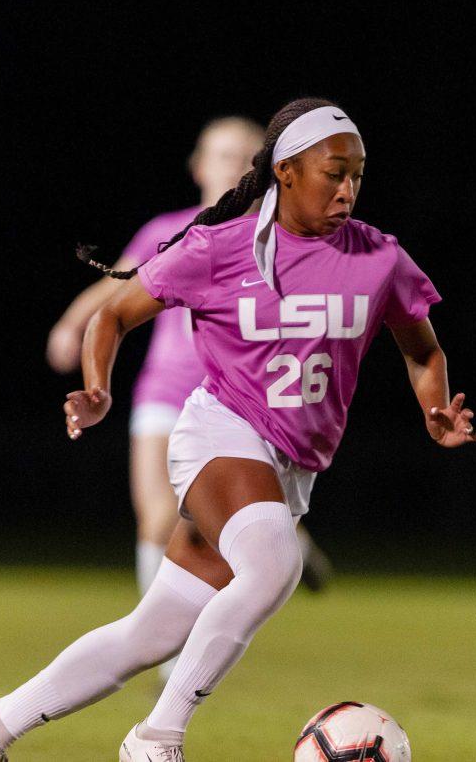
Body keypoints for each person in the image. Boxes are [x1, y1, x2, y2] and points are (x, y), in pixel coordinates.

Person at [0, 98, 476, 762]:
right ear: (285, 172)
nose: (348, 188)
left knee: (154, 630)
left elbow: (421, 347)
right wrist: (100, 389)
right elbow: (111, 316)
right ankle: (156, 737)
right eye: (332, 172)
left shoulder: (378, 256)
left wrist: (433, 407)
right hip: (220, 429)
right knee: (276, 563)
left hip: (291, 463)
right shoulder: (220, 245)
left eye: (358, 175)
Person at [45, 118, 335, 678]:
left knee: (222, 527)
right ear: (199, 166)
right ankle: (164, 647)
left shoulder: (283, 240)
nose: (233, 165)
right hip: (167, 390)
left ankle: (278, 531)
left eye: (246, 155)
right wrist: (68, 326)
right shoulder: (172, 230)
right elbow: (116, 293)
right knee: (157, 519)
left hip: (245, 399)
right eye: (222, 155)